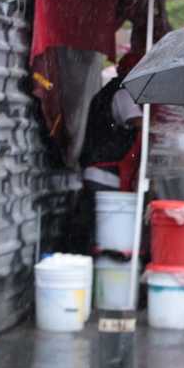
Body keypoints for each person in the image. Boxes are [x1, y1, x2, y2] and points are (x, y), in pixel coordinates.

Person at [63, 51, 145, 254]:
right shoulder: (124, 93)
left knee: (97, 231)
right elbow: (139, 123)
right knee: (106, 235)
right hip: (105, 175)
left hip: (100, 171)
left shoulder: (112, 90)